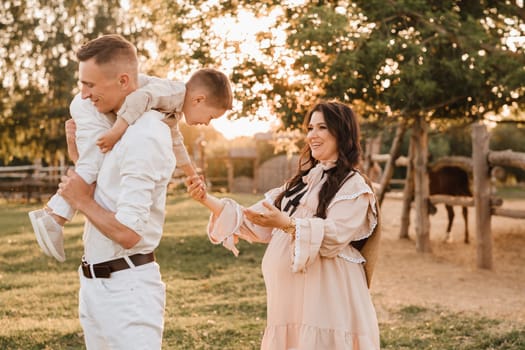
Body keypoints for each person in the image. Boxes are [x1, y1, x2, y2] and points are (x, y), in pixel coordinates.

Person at [55, 34, 231, 349]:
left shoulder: (147, 132)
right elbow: (105, 190)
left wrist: (79, 200)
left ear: (120, 81)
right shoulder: (138, 127)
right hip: (94, 285)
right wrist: (77, 155)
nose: (85, 95)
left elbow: (128, 234)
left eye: (91, 86)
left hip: (127, 291)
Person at [187, 101, 381, 349]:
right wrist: (205, 198)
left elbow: (336, 235)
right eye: (310, 128)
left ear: (342, 133)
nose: (312, 135)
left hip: (327, 294)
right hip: (289, 303)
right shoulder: (300, 184)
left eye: (322, 127)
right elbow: (251, 217)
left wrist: (289, 224)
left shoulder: (353, 185)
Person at [29, 64, 232, 262]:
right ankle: (54, 219)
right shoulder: (172, 93)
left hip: (101, 110)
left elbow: (176, 141)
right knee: (92, 164)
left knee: (94, 165)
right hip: (93, 106)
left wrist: (192, 174)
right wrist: (115, 133)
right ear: (199, 99)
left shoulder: (174, 109)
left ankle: (49, 216)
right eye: (211, 116)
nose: (207, 123)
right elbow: (138, 98)